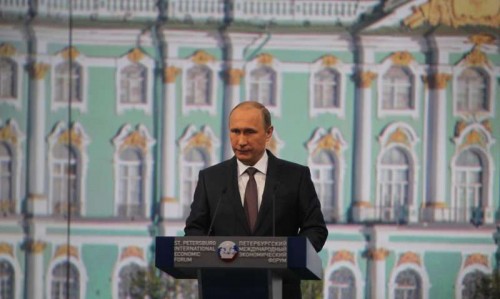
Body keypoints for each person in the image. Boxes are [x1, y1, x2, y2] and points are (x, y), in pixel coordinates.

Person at [184, 101, 328, 298]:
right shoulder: (211, 179)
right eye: (235, 131)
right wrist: (216, 254)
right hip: (223, 289)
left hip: (281, 290)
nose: (241, 141)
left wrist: (290, 254)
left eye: (249, 132)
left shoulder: (295, 176)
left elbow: (316, 229)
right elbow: (194, 230)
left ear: (268, 133)